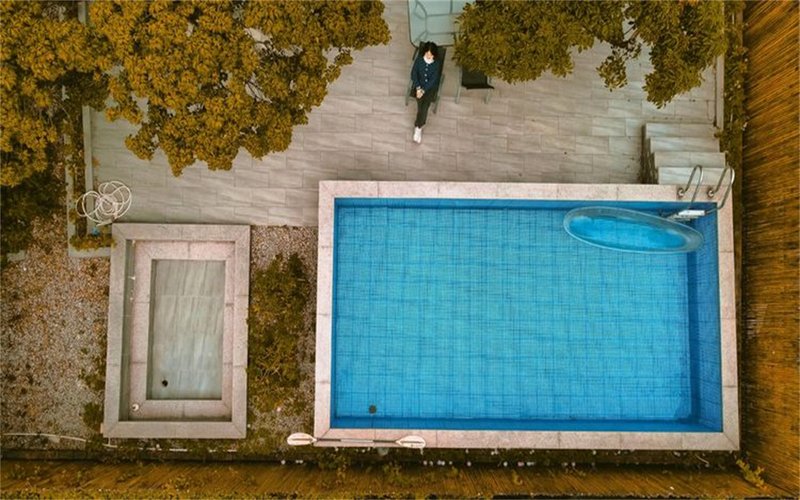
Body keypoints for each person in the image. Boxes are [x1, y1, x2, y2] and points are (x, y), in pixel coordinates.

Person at [410, 41, 441, 144]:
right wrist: (418, 88)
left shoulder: (436, 63)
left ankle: (418, 128)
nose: (429, 56)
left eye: (431, 54)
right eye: (427, 53)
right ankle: (419, 126)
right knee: (421, 108)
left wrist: (423, 90)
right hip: (418, 87)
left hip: (429, 89)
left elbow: (433, 80)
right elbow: (413, 74)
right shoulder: (419, 60)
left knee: (424, 108)